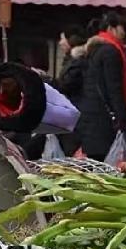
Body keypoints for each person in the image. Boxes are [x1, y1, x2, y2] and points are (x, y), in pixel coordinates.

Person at [77, 12, 126, 161]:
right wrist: (122, 117)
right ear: (111, 28)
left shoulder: (94, 50)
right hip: (104, 121)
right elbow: (114, 88)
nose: (124, 33)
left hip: (90, 118)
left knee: (95, 165)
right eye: (122, 28)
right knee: (107, 168)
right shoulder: (111, 51)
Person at [55, 24, 89, 156]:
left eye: (62, 38)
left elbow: (66, 84)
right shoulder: (71, 59)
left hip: (76, 114)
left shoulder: (78, 61)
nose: (60, 42)